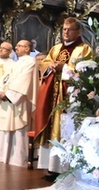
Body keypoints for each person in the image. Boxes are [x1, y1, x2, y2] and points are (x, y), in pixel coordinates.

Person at [35, 17, 92, 172]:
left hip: (69, 97)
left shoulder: (84, 49)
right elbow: (44, 64)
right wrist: (50, 66)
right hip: (52, 94)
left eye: (70, 29)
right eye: (64, 29)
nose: (66, 32)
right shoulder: (56, 48)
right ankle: (50, 166)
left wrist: (65, 67)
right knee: (51, 124)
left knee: (65, 127)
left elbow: (85, 72)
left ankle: (63, 168)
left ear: (78, 31)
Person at [0, 40, 38, 166]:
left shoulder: (30, 62)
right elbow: (6, 78)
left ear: (27, 48)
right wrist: (0, 90)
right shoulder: (17, 63)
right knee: (4, 129)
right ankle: (1, 157)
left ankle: (17, 161)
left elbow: (24, 81)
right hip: (7, 100)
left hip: (18, 102)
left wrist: (9, 94)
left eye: (19, 46)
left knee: (18, 131)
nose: (16, 48)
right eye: (16, 46)